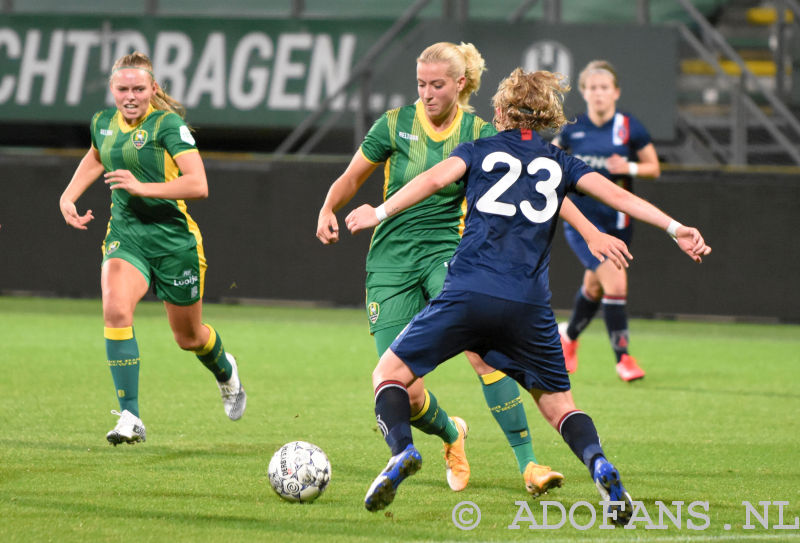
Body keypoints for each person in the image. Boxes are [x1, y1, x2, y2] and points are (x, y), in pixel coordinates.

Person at [344, 67, 711, 517]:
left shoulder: (477, 149)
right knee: (560, 407)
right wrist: (676, 228)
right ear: (548, 117)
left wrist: (378, 211)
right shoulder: (560, 161)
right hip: (528, 306)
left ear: (499, 111)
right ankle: (597, 463)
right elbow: (619, 197)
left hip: (468, 292)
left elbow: (433, 181)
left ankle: (402, 450)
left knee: (389, 375)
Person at [316, 42, 563, 495]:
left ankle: (529, 464)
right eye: (421, 84)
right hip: (390, 263)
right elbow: (353, 177)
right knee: (404, 391)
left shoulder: (479, 132)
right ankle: (452, 432)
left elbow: (533, 180)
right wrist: (329, 206)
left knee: (483, 353)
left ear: (460, 84)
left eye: (437, 85)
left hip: (449, 255)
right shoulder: (393, 124)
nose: (427, 93)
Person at [59, 52, 246, 446]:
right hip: (127, 235)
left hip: (174, 241)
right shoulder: (102, 123)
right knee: (115, 307)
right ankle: (131, 415)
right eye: (123, 89)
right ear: (112, 90)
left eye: (139, 89)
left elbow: (199, 184)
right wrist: (69, 196)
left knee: (189, 337)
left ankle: (225, 370)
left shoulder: (167, 125)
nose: (130, 96)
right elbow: (97, 154)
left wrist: (145, 187)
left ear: (153, 89)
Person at [552, 60, 662, 381]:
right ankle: (623, 358)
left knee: (594, 286)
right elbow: (548, 162)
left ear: (615, 92)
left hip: (619, 221)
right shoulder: (572, 129)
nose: (598, 93)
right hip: (583, 224)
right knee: (615, 281)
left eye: (604, 88)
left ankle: (569, 337)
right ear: (584, 93)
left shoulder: (629, 126)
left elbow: (653, 167)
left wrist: (626, 168)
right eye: (592, 88)